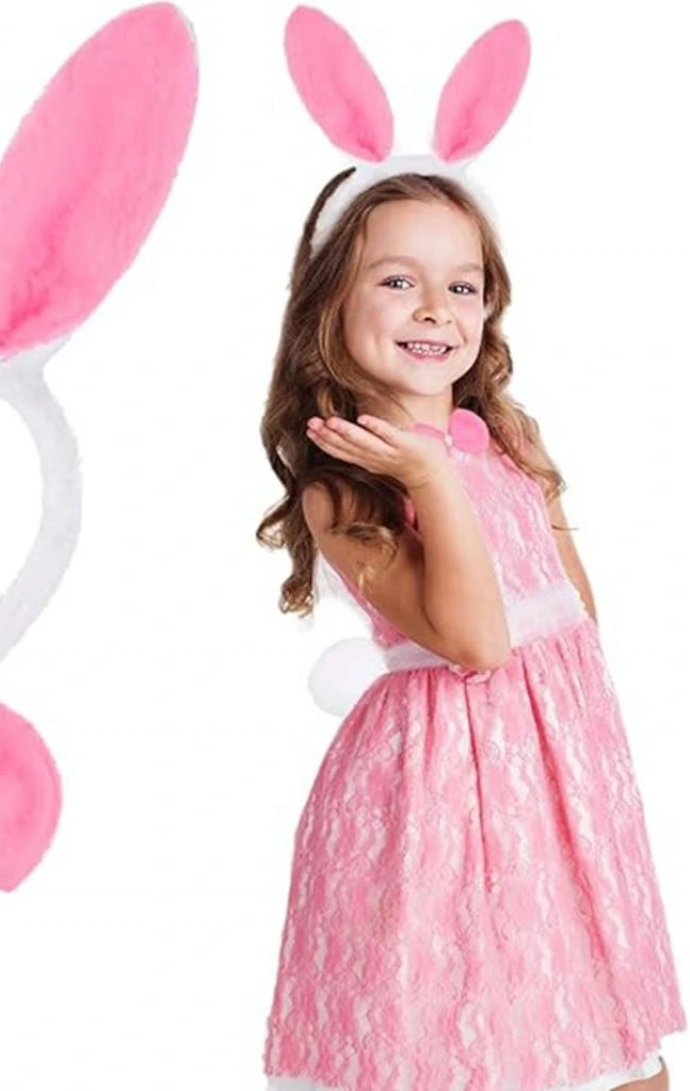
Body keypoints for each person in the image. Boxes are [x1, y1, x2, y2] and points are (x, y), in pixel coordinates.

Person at [255, 167, 686, 1091]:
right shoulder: (345, 490)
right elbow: (479, 643)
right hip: (443, 798)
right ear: (331, 303)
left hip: (553, 785)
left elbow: (573, 617)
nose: (435, 309)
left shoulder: (511, 442)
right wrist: (430, 480)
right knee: (463, 1045)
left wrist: (517, 483)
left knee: (610, 1048)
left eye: (462, 285)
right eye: (397, 279)